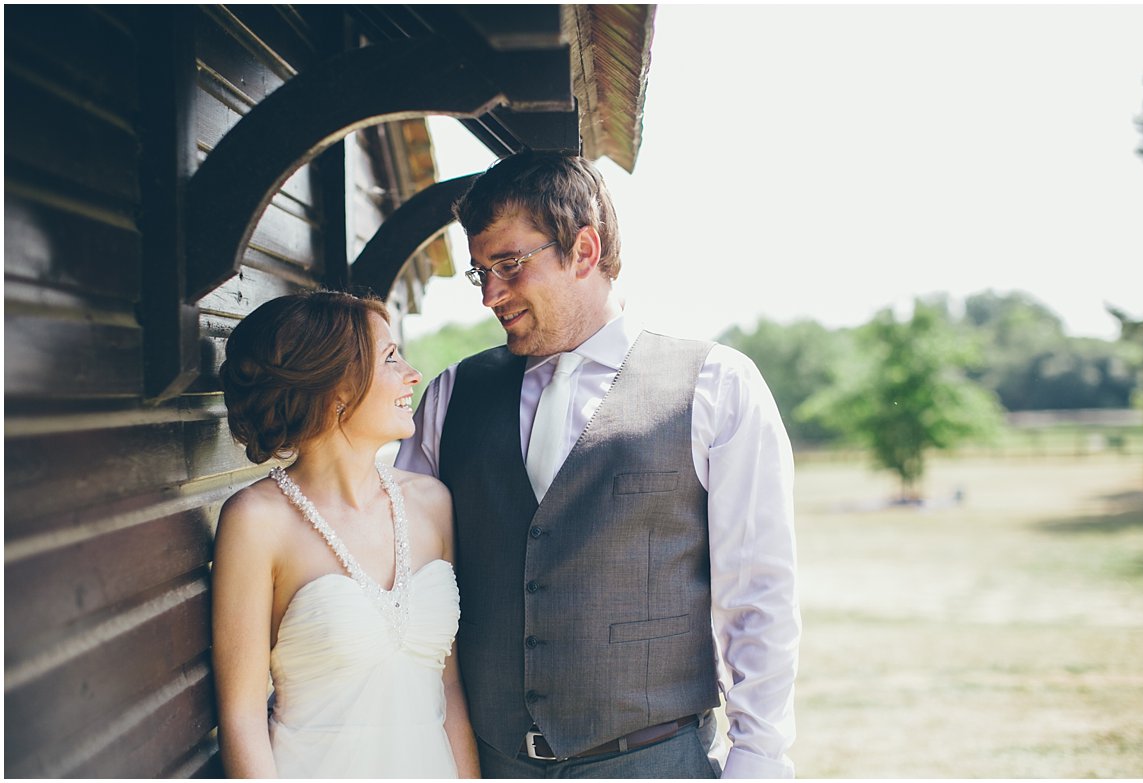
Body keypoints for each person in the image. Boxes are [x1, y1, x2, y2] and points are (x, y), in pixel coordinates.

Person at [396, 150, 800, 778]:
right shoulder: (451, 396)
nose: (491, 295)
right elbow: (404, 573)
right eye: (480, 274)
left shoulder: (716, 385)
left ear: (584, 250)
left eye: (508, 264)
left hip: (655, 763)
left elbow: (759, 595)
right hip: (491, 765)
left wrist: (759, 764)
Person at [212, 290, 480, 778]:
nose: (412, 374)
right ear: (337, 387)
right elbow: (242, 717)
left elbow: (451, 687)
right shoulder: (256, 521)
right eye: (391, 357)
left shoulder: (432, 504)